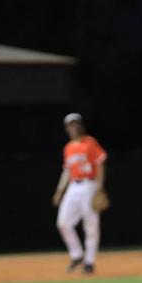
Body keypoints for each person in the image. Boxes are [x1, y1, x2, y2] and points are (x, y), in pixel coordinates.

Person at [52, 113, 107, 274]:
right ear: (66, 128)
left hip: (90, 185)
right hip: (73, 187)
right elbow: (67, 171)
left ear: (81, 125)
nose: (73, 127)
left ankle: (89, 262)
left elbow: (100, 165)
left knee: (91, 226)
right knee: (63, 223)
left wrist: (100, 188)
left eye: (75, 124)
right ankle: (77, 255)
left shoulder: (90, 142)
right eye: (70, 124)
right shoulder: (68, 148)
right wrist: (59, 190)